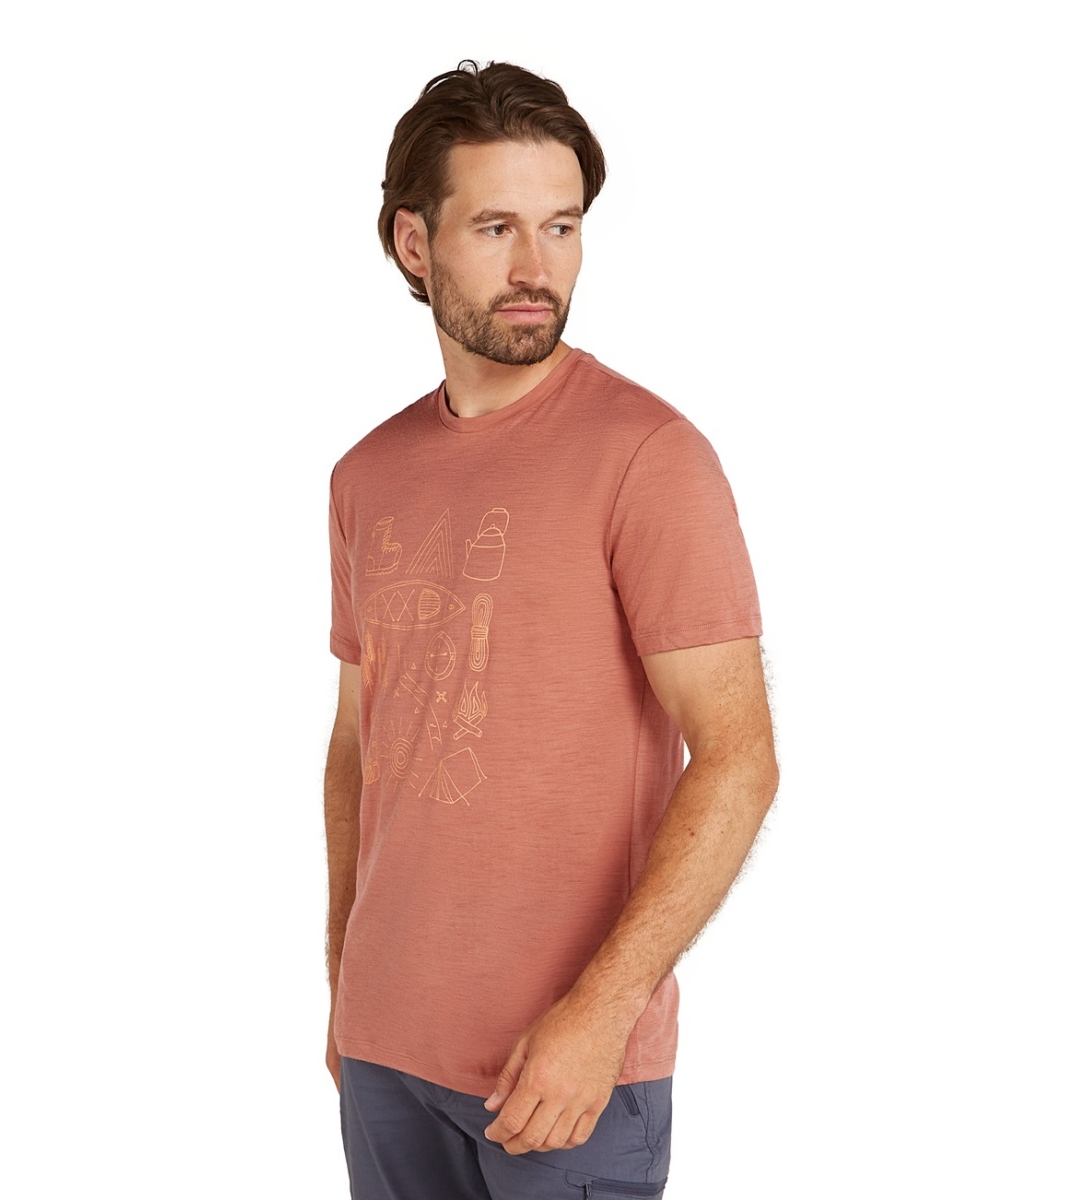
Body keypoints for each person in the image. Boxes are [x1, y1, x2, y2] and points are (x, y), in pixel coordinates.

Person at [324, 59, 778, 1200]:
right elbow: (359, 743)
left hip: (564, 1069)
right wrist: (342, 979)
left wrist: (603, 1013)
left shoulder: (649, 459)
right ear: (414, 244)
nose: (538, 267)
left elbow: (738, 759)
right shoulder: (366, 474)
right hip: (384, 1053)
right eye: (497, 228)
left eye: (562, 227)